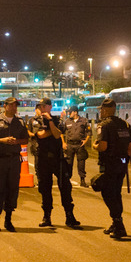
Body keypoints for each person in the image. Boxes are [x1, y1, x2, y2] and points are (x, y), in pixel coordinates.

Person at [0, 97, 29, 232]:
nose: (14, 108)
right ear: (5, 106)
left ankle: (8, 220)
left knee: (12, 190)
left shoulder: (19, 122)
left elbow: (26, 139)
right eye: (11, 105)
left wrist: (17, 142)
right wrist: (2, 140)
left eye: (16, 105)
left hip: (14, 160)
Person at [35, 97, 80, 228]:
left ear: (49, 107)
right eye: (40, 107)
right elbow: (42, 134)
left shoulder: (57, 119)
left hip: (58, 158)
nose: (41, 109)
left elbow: (57, 134)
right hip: (43, 159)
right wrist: (53, 129)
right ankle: (46, 216)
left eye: (44, 106)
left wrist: (50, 121)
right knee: (45, 188)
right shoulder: (35, 120)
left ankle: (69, 216)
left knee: (65, 187)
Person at [92, 98, 131, 239]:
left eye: (102, 109)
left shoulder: (104, 125)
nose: (101, 112)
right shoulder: (125, 124)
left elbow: (102, 146)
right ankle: (116, 222)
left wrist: (94, 146)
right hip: (121, 163)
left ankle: (118, 223)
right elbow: (129, 148)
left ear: (107, 110)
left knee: (108, 193)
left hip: (108, 163)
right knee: (116, 193)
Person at [61, 106, 91, 187]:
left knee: (81, 163)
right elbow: (61, 132)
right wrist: (63, 142)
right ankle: (68, 180)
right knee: (68, 163)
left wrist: (86, 140)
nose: (69, 114)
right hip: (70, 144)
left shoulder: (83, 121)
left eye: (70, 112)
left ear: (75, 112)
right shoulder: (67, 121)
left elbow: (89, 131)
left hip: (79, 145)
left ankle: (82, 180)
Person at [27, 104, 43, 180]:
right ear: (36, 110)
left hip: (45, 143)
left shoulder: (45, 119)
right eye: (39, 109)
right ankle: (39, 177)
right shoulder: (32, 120)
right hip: (36, 143)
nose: (41, 111)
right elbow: (28, 131)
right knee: (37, 162)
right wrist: (34, 135)